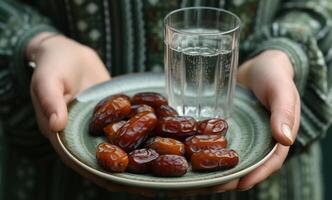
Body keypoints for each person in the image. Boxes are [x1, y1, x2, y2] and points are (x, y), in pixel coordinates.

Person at [0, 0, 331, 199]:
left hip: (266, 182)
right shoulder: (143, 124)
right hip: (60, 182)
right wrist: (39, 42)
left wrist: (285, 51)